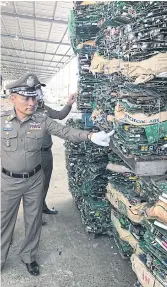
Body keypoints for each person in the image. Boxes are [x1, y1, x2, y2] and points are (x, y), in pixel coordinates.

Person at [1, 73, 114, 276]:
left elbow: (66, 131)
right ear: (13, 99)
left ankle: (29, 257)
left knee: (33, 221)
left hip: (35, 180)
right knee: (3, 222)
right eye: (26, 97)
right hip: (8, 181)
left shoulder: (42, 119)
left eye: (34, 97)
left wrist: (90, 136)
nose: (31, 102)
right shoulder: (2, 122)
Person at [37, 92, 76, 215]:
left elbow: (59, 115)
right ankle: (35, 214)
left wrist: (68, 104)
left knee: (45, 182)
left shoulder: (44, 109)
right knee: (35, 185)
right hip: (34, 154)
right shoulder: (25, 112)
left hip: (46, 153)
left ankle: (42, 206)